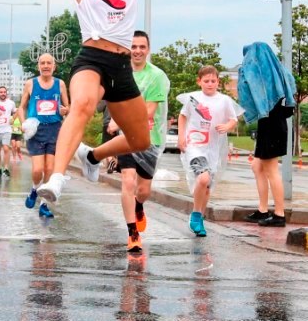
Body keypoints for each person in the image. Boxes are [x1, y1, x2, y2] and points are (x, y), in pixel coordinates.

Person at [0, 0, 229, 203]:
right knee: (82, 105)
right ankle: (57, 178)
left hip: (121, 66)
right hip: (91, 59)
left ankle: (91, 156)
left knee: (140, 140)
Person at [78, 31, 169, 252]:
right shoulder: (119, 73)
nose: (137, 51)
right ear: (127, 49)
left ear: (148, 49)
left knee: (143, 190)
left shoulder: (156, 76)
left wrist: (118, 122)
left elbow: (149, 111)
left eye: (142, 47)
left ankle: (139, 205)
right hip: (125, 138)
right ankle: (132, 234)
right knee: (128, 181)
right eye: (133, 47)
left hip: (150, 138)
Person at [177, 66, 241, 237]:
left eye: (213, 81)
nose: (210, 84)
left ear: (218, 82)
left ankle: (200, 217)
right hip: (194, 146)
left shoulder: (224, 100)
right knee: (203, 178)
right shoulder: (193, 98)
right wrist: (181, 137)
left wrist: (227, 126)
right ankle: (195, 215)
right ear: (199, 82)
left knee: (206, 187)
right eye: (206, 81)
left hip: (213, 149)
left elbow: (233, 119)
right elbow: (182, 116)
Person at [238, 42, 296, 227]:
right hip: (272, 124)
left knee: (271, 170)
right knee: (257, 166)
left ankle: (279, 215)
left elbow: (246, 90)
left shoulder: (259, 76)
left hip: (271, 125)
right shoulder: (281, 74)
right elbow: (290, 102)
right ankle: (262, 210)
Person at [18, 53, 69, 219]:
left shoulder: (60, 84)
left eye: (49, 63)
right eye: (43, 63)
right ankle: (34, 189)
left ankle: (44, 205)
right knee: (38, 170)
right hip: (36, 130)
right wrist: (23, 123)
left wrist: (65, 110)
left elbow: (68, 107)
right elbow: (21, 107)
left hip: (55, 130)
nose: (46, 66)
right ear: (38, 66)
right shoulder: (30, 84)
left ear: (54, 66)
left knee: (49, 169)